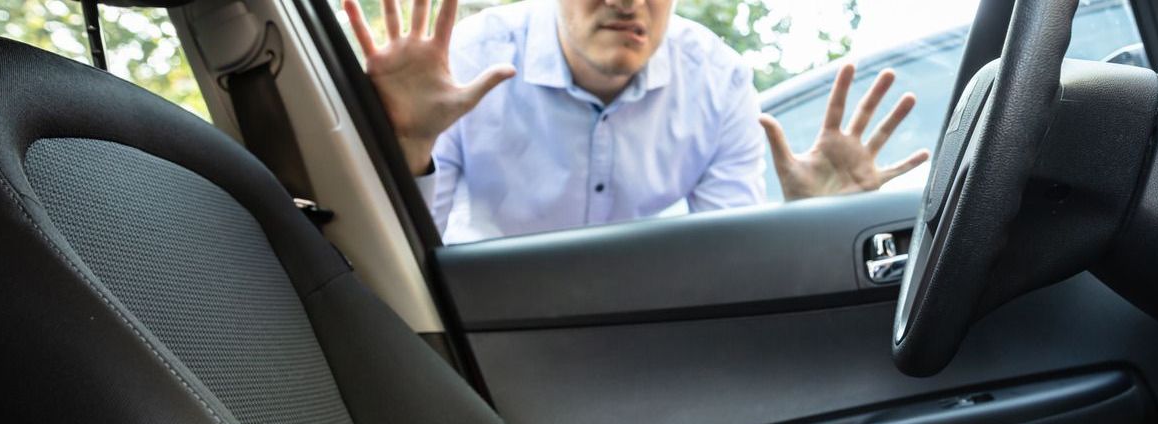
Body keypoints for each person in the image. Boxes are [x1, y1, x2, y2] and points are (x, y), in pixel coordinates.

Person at [344, 0, 931, 242]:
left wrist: (813, 229)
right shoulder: (465, 62)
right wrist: (407, 147)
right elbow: (404, 260)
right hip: (484, 329)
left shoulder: (718, 82)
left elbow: (729, 267)